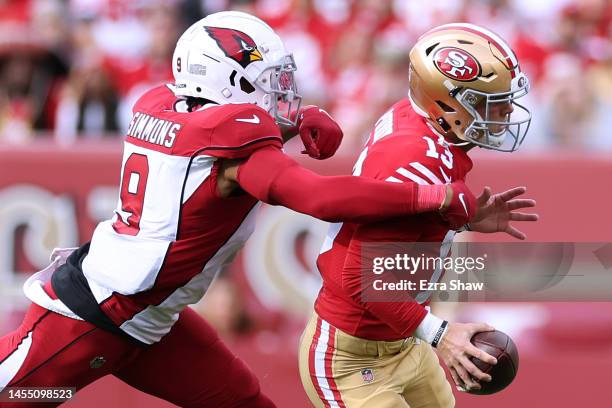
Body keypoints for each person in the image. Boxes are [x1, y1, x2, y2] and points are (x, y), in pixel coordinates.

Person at [0, 12, 476, 408]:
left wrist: (295, 123)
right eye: (267, 82)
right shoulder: (239, 148)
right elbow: (322, 200)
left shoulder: (164, 102)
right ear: (226, 82)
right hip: (92, 320)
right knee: (26, 394)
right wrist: (432, 196)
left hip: (155, 320)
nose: (282, 92)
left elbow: (219, 152)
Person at [299, 23, 538, 408]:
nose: (505, 112)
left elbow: (414, 210)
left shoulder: (422, 125)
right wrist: (442, 333)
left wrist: (467, 218)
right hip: (351, 358)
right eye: (485, 101)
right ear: (445, 102)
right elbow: (362, 277)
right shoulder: (412, 156)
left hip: (402, 339)